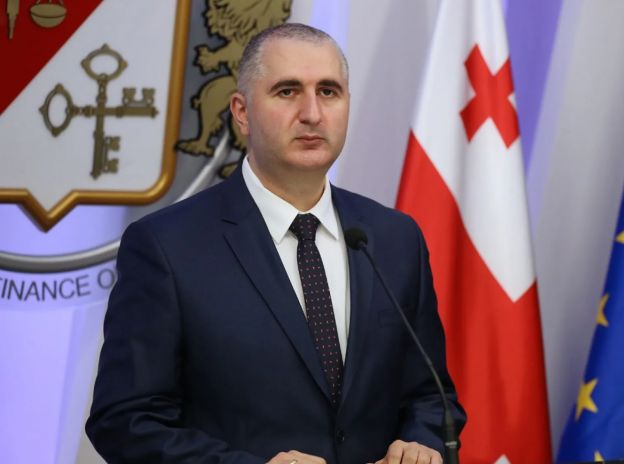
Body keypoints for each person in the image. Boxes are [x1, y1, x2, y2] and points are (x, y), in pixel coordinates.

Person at [86, 23, 465, 464]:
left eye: (328, 91)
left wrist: (421, 443)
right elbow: (125, 421)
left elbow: (430, 396)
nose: (312, 113)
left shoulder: (394, 238)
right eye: (287, 91)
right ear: (242, 112)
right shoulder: (166, 246)